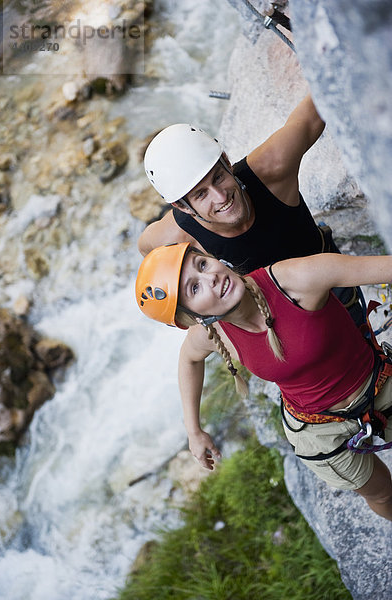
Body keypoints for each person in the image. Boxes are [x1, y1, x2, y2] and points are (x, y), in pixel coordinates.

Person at [135, 242, 392, 520]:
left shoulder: (295, 280)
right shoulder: (215, 333)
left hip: (378, 385)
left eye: (202, 264)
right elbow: (189, 359)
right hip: (317, 430)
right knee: (381, 494)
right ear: (194, 318)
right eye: (194, 288)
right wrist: (193, 430)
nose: (211, 278)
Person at [138, 95, 364, 325]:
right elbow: (146, 249)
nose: (220, 196)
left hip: (331, 286)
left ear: (226, 161)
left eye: (218, 177)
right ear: (182, 207)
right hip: (269, 314)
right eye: (201, 194)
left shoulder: (271, 169)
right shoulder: (177, 234)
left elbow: (314, 109)